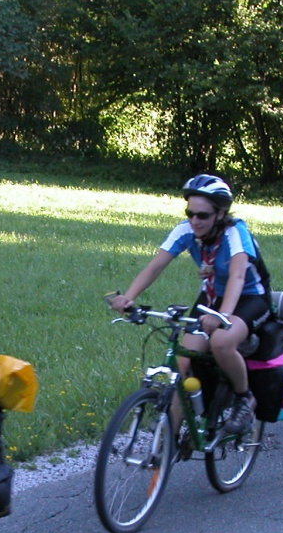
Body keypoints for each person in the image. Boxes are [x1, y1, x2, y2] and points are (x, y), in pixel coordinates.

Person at [108, 175, 269, 434]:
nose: (195, 220)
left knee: (221, 342)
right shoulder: (187, 230)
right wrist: (129, 296)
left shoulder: (235, 232)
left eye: (202, 215)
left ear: (220, 213)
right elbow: (156, 265)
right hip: (212, 297)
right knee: (182, 362)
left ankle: (244, 398)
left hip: (249, 296)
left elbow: (238, 277)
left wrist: (223, 316)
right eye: (190, 213)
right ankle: (172, 437)